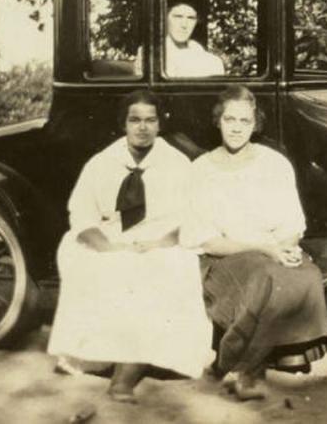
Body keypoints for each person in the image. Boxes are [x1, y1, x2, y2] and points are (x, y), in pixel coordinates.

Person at [47, 90, 212, 402]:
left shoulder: (177, 164)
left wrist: (158, 243)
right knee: (94, 262)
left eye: (150, 120)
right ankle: (92, 353)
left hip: (161, 241)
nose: (143, 127)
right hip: (109, 239)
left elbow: (193, 216)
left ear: (160, 124)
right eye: (134, 120)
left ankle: (127, 372)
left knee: (159, 269)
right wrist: (108, 247)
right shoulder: (102, 162)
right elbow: (81, 213)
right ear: (123, 124)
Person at [181, 86, 327, 401]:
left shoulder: (274, 164)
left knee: (307, 277)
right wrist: (265, 249)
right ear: (218, 121)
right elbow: (204, 239)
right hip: (222, 258)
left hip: (274, 250)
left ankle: (226, 364)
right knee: (267, 279)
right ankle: (245, 370)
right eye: (229, 119)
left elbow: (292, 222)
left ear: (255, 123)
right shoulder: (201, 170)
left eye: (244, 121)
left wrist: (286, 247)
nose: (236, 128)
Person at [165, 2, 225, 77]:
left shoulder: (212, 62)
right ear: (165, 18)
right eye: (178, 17)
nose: (184, 25)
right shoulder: (152, 58)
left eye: (191, 18)